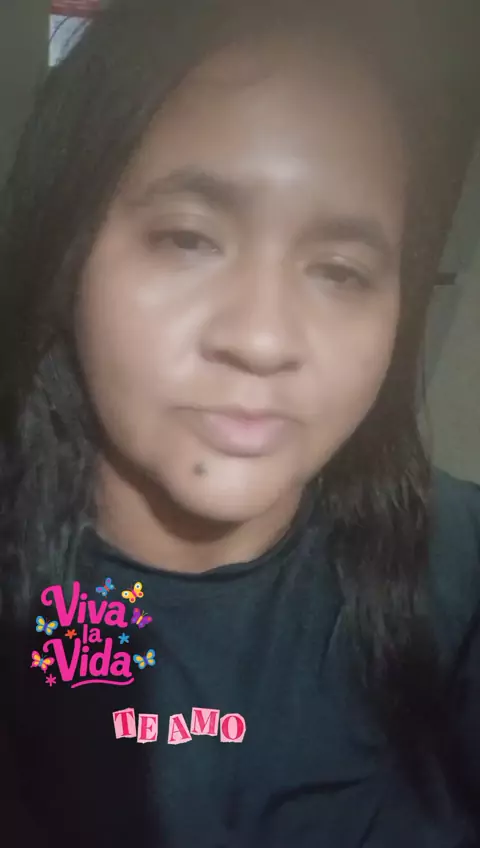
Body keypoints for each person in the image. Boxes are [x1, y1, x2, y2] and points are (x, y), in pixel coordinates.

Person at [0, 0, 479, 845]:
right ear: (69, 247)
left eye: (339, 270)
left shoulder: (460, 573)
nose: (262, 339)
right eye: (187, 239)